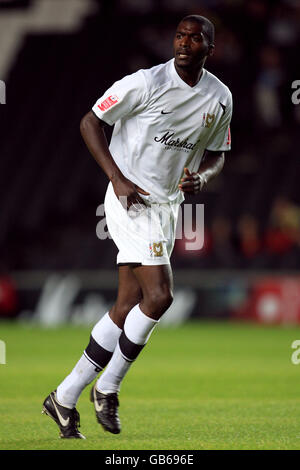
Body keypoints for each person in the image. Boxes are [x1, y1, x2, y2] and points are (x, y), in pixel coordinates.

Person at [42, 14, 232, 439]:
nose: (184, 43)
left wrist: (202, 177)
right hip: (130, 199)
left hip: (166, 205)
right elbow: (90, 122)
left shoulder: (220, 98)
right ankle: (107, 388)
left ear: (210, 48)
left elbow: (219, 153)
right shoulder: (144, 83)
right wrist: (117, 178)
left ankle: (64, 396)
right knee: (160, 296)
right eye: (179, 35)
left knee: (127, 304)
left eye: (195, 38)